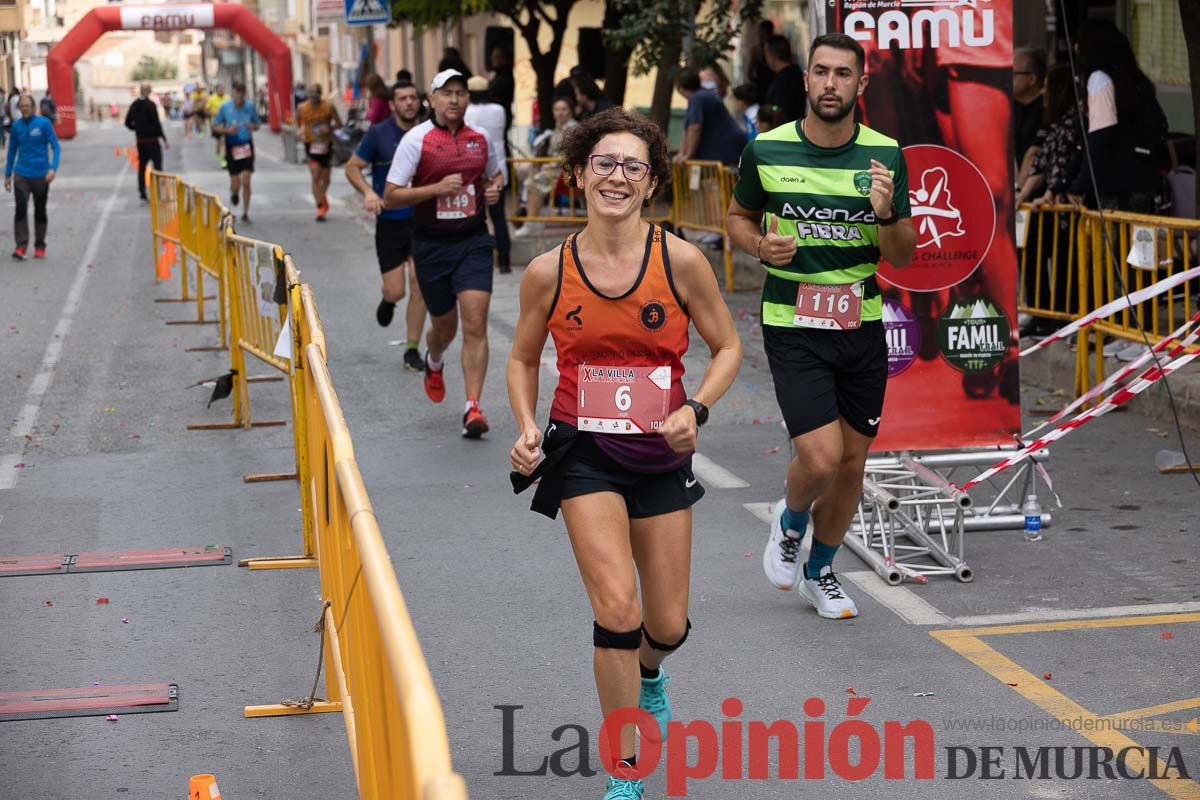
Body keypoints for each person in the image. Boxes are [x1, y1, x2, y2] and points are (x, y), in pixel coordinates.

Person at [507, 106, 742, 800]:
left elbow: (728, 347)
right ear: (578, 175)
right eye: (603, 164)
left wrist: (695, 409)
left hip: (659, 455)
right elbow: (522, 359)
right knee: (616, 609)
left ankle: (650, 673)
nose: (616, 176)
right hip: (583, 452)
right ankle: (625, 768)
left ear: (651, 182)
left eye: (632, 166)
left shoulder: (681, 261)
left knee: (664, 625)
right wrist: (525, 427)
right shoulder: (549, 272)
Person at [726, 33, 916, 620]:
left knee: (853, 462)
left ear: (861, 85)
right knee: (820, 459)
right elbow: (736, 218)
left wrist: (885, 214)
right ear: (805, 80)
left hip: (859, 323)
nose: (830, 83)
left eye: (842, 74)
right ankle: (789, 524)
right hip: (793, 322)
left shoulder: (885, 155)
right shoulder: (767, 149)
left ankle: (821, 569)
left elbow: (903, 255)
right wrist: (759, 244)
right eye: (820, 72)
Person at [383, 69, 505, 438]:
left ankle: (472, 406)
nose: (455, 99)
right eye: (447, 93)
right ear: (431, 99)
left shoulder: (480, 138)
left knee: (475, 319)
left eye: (461, 93)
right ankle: (434, 361)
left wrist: (494, 189)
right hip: (432, 245)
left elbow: (495, 176)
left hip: (473, 241)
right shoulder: (416, 140)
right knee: (445, 326)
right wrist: (435, 189)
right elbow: (391, 195)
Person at [345, 80, 428, 372]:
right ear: (392, 104)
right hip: (391, 223)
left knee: (420, 283)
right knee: (397, 290)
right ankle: (388, 300)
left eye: (412, 98)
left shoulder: (430, 132)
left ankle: (412, 349)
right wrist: (368, 193)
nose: (409, 103)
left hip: (423, 221)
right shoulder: (379, 134)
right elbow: (352, 167)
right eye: (402, 99)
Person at [1067, 19, 1166, 214]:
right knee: (1141, 243)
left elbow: (1098, 139)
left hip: (1117, 187)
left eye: (1079, 41)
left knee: (1115, 243)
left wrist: (1080, 184)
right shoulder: (1135, 79)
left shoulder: (1099, 79)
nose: (1075, 47)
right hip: (1145, 179)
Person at [464, 75, 512, 274]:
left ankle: (478, 258)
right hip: (499, 166)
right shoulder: (498, 110)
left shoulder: (468, 112)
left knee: (475, 217)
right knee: (499, 216)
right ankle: (504, 261)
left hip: (474, 168)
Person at [513, 96, 579, 237]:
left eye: (563, 109)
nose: (560, 112)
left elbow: (570, 154)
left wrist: (550, 164)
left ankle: (531, 222)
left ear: (570, 111)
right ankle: (530, 217)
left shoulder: (572, 129)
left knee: (533, 183)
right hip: (554, 169)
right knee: (530, 178)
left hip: (563, 171)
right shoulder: (558, 128)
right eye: (557, 109)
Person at [5, 94, 61, 260]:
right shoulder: (16, 126)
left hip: (41, 175)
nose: (24, 108)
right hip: (21, 174)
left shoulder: (43, 124)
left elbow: (56, 147)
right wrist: (8, 174)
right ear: (19, 108)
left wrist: (53, 168)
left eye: (27, 105)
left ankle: (39, 246)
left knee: (40, 211)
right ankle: (21, 246)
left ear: (34, 107)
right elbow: (12, 151)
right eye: (22, 106)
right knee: (20, 209)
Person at [673, 67, 748, 166]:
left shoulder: (697, 98)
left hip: (727, 151)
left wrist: (688, 155)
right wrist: (682, 154)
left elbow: (694, 128)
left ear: (681, 88)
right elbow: (687, 129)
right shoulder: (701, 95)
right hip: (731, 148)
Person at [212, 82, 261, 223]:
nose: (239, 98)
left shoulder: (250, 107)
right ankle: (234, 192)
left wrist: (254, 126)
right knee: (235, 183)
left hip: (246, 146)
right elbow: (214, 126)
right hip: (231, 146)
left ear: (244, 95)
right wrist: (227, 130)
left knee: (246, 180)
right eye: (236, 95)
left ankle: (245, 212)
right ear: (232, 94)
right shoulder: (225, 107)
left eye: (241, 95)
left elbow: (257, 124)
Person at [297, 83, 343, 221]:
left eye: (315, 94)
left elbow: (339, 123)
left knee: (326, 179)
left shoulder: (328, 106)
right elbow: (297, 124)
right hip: (311, 145)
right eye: (310, 95)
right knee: (316, 175)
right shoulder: (302, 108)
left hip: (325, 144)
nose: (312, 98)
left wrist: (329, 128)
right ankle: (320, 207)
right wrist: (299, 132)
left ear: (320, 94)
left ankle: (322, 198)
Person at [125, 83, 169, 202]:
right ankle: (159, 191)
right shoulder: (151, 104)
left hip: (141, 141)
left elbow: (127, 122)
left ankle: (142, 191)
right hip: (153, 141)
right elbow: (156, 124)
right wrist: (164, 139)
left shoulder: (134, 104)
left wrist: (137, 129)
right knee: (158, 167)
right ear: (149, 91)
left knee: (142, 167)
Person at [1012, 47, 1046, 188]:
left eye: (1013, 73)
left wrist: (1018, 190)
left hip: (1036, 194)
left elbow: (1033, 153)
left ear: (1032, 79)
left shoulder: (1046, 108)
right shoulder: (1008, 107)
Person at [763, 35, 805, 124]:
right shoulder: (793, 73)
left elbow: (780, 110)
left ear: (772, 55)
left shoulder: (786, 80)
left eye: (766, 54)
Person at [488, 46, 515, 151]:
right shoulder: (498, 75)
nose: (494, 60)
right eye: (493, 57)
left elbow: (493, 92)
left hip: (503, 114)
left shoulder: (505, 76)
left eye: (498, 57)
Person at [747, 19, 777, 100]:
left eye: (763, 32)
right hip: (762, 87)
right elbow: (750, 73)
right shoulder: (756, 50)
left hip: (773, 85)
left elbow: (750, 73)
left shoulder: (775, 48)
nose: (760, 35)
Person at [205, 83, 230, 162]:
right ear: (216, 90)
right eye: (220, 89)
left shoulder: (228, 97)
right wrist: (215, 114)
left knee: (225, 140)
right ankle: (218, 152)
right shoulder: (211, 99)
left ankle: (225, 157)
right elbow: (206, 111)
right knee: (220, 141)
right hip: (216, 123)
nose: (222, 90)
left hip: (227, 123)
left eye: (223, 89)